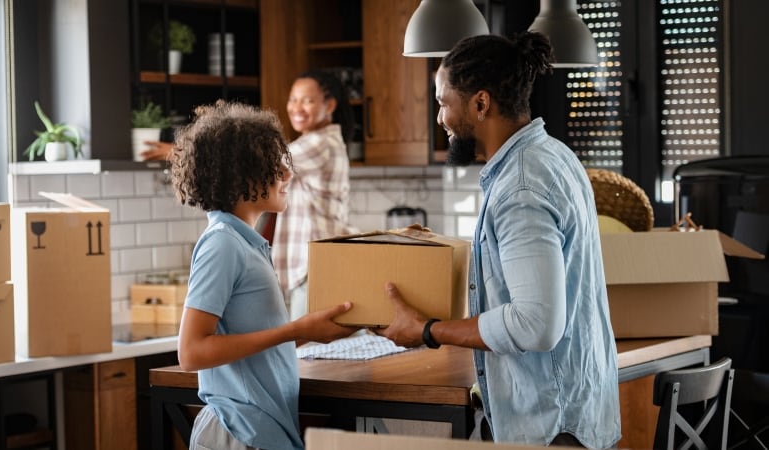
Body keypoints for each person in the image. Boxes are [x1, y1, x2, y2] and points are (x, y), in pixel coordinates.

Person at [373, 32, 621, 448]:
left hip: (551, 427)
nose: (440, 119)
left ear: (481, 104)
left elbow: (536, 324)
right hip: (575, 414)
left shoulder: (520, 186)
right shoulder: (554, 156)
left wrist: (429, 331)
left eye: (443, 103)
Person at [170, 100, 360, 450]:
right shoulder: (222, 243)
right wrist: (296, 330)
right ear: (241, 175)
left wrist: (310, 332)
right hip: (238, 431)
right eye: (274, 165)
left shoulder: (246, 243)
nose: (288, 175)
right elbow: (191, 352)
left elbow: (256, 341)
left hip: (260, 429)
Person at [272, 70, 358, 320]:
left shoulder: (320, 144)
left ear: (329, 105)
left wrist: (184, 150)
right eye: (293, 99)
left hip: (316, 267)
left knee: (307, 344)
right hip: (320, 265)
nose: (296, 107)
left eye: (307, 100)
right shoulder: (322, 142)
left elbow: (262, 163)